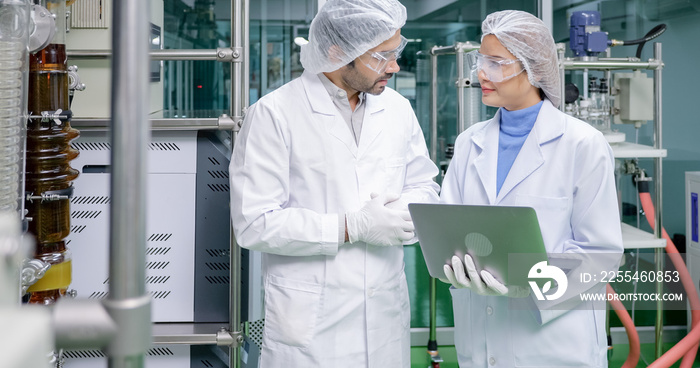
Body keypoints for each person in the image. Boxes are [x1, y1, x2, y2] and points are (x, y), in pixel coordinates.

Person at [229, 0, 440, 366]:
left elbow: (424, 185)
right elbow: (254, 224)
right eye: (381, 57)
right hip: (311, 327)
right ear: (338, 52)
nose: (394, 66)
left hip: (384, 316)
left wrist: (407, 215)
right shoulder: (275, 113)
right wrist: (350, 227)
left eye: (396, 52)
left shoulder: (398, 109)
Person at [439, 10, 623, 368]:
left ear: (533, 67)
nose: (481, 73)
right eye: (481, 60)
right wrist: (457, 267)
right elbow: (450, 228)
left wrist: (526, 286)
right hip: (481, 338)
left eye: (496, 63)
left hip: (554, 345)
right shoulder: (469, 143)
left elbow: (600, 253)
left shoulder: (582, 144)